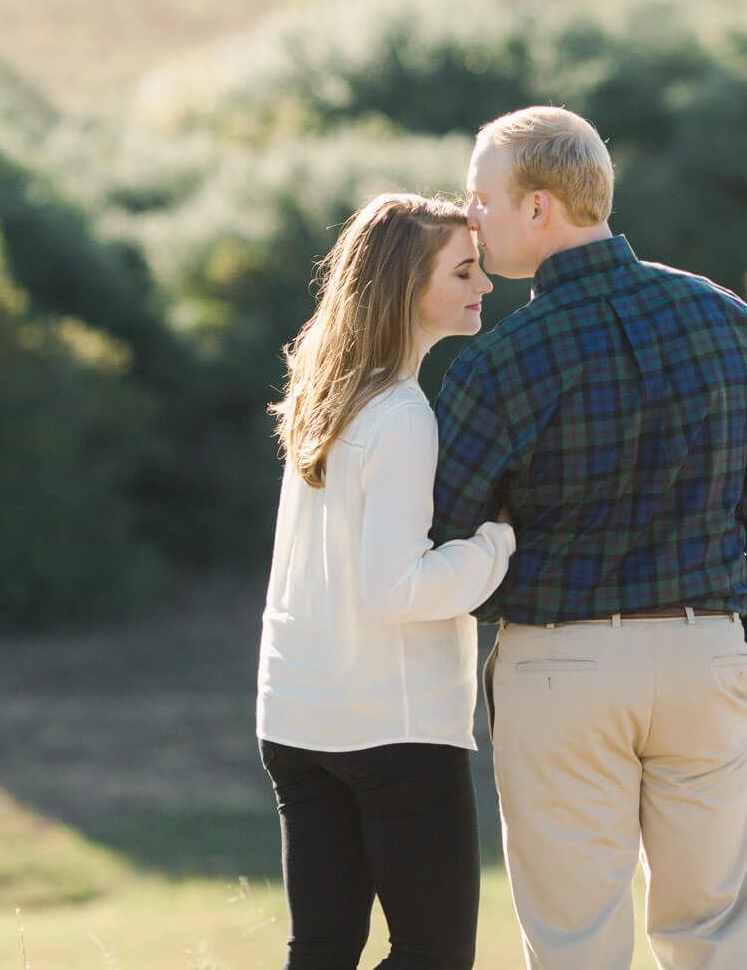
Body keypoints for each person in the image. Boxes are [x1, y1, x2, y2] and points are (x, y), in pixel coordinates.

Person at [430, 106, 747, 970]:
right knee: (720, 943)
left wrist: (508, 602)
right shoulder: (727, 320)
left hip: (559, 668)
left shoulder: (501, 360)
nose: (470, 216)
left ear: (538, 209)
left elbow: (443, 533)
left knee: (575, 948)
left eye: (479, 197)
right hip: (708, 653)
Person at [257, 192, 516, 970]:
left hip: (297, 719)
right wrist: (501, 542)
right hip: (392, 728)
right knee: (434, 955)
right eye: (465, 270)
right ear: (409, 285)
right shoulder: (403, 413)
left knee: (323, 951)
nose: (486, 285)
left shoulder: (325, 398)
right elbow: (398, 589)